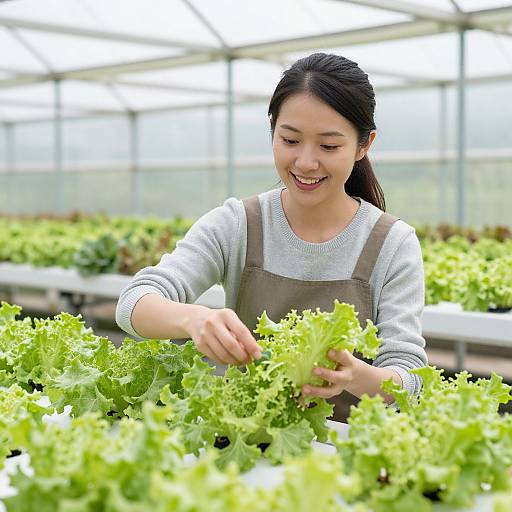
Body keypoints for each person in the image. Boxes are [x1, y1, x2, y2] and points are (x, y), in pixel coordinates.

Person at [116, 52, 427, 421]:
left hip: (349, 454)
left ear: (364, 145)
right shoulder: (237, 223)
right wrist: (194, 320)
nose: (306, 162)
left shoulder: (392, 243)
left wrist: (361, 377)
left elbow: (410, 376)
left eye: (329, 146)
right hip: (248, 443)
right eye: (290, 140)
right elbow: (133, 302)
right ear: (273, 132)